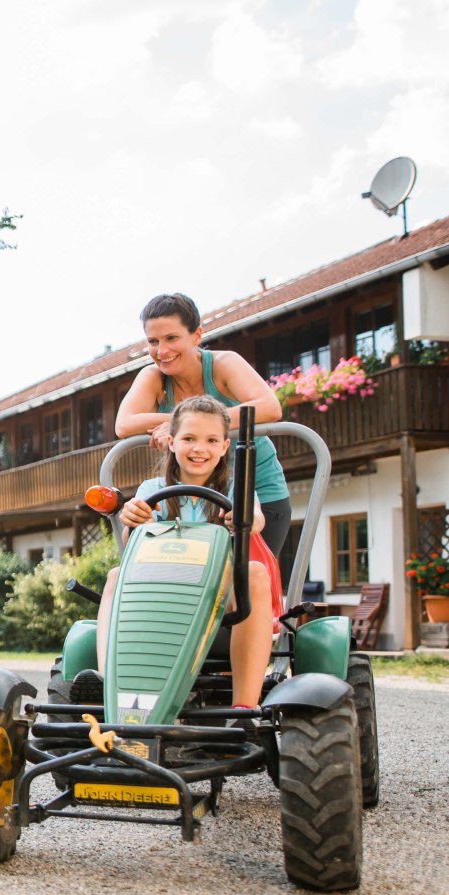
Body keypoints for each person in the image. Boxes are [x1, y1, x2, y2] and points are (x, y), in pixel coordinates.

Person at [95, 395, 282, 711]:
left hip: (220, 600)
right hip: (161, 594)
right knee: (116, 575)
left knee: (253, 572)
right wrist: (133, 520)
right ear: (171, 442)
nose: (199, 448)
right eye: (189, 439)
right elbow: (133, 539)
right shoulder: (151, 490)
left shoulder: (237, 490)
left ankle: (244, 708)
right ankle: (108, 689)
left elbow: (256, 519)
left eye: (211, 440)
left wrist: (242, 519)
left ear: (224, 447)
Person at [115, 292, 292, 561]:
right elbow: (124, 424)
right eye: (153, 341)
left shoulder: (223, 364)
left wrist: (188, 424)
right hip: (188, 498)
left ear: (197, 336)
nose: (161, 351)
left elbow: (269, 407)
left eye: (172, 338)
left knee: (249, 579)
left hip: (251, 491)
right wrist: (180, 422)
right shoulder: (153, 377)